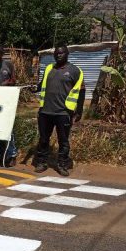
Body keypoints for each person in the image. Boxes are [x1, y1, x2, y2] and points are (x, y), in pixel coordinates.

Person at [35, 45, 85, 176]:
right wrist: (33, 88)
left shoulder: (75, 71)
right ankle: (42, 162)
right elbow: (41, 85)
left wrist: (79, 110)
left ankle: (62, 164)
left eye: (61, 53)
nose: (58, 55)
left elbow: (82, 91)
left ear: (67, 54)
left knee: (63, 141)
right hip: (45, 111)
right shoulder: (49, 68)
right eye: (56, 53)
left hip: (63, 112)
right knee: (44, 139)